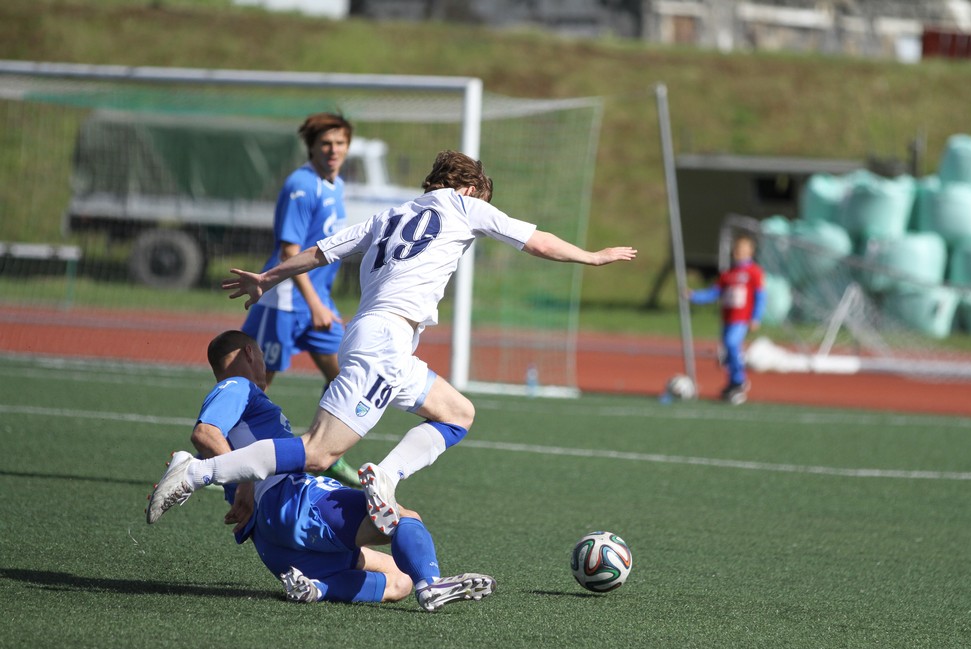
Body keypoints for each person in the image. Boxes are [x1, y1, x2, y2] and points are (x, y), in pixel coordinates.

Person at [147, 149, 637, 537]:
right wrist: (593, 258)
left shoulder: (388, 216)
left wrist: (268, 278)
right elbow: (537, 241)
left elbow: (319, 252)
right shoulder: (467, 206)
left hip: (384, 342)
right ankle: (195, 473)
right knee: (317, 452)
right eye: (483, 199)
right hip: (383, 342)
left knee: (458, 413)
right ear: (469, 189)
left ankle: (385, 476)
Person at [177, 329, 495, 610]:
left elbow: (210, 449)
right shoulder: (237, 386)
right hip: (293, 504)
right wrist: (244, 478)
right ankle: (431, 584)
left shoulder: (242, 414)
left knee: (400, 581)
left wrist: (238, 480)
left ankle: (317, 588)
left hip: (275, 546)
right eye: (261, 356)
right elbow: (205, 433)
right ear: (250, 353)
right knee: (406, 519)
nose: (264, 364)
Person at [242, 113, 359, 486]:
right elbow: (289, 249)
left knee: (345, 375)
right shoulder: (300, 185)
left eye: (340, 143)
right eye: (326, 143)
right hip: (288, 303)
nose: (334, 150)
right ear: (311, 147)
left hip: (316, 302)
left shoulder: (336, 185)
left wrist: (320, 303)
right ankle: (214, 457)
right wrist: (315, 304)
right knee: (257, 385)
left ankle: (326, 452)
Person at [688, 232, 765, 405]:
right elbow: (714, 293)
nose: (738, 252)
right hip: (727, 319)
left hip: (741, 319)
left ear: (751, 251)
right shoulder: (728, 273)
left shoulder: (754, 272)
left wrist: (756, 317)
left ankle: (739, 380)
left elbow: (760, 297)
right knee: (727, 353)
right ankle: (732, 382)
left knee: (732, 344)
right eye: (737, 249)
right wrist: (693, 296)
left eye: (743, 249)